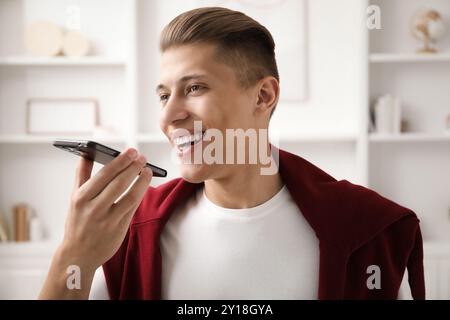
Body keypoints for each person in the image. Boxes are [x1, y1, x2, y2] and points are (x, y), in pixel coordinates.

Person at [39, 7, 425, 300]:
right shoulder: (127, 231)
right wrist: (74, 256)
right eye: (163, 95)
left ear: (263, 95)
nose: (169, 115)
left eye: (194, 88)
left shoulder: (369, 231)